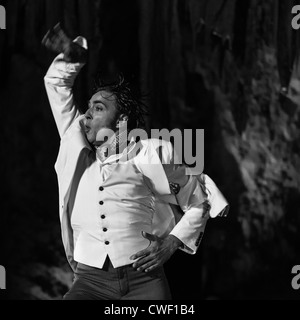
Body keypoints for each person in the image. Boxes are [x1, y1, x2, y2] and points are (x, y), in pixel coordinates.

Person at [42, 24, 229, 300]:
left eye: (98, 108)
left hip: (145, 282)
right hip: (89, 282)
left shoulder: (151, 154)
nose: (87, 115)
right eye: (88, 106)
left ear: (121, 122)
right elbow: (57, 84)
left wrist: (171, 243)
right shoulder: (76, 145)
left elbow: (198, 201)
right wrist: (73, 57)